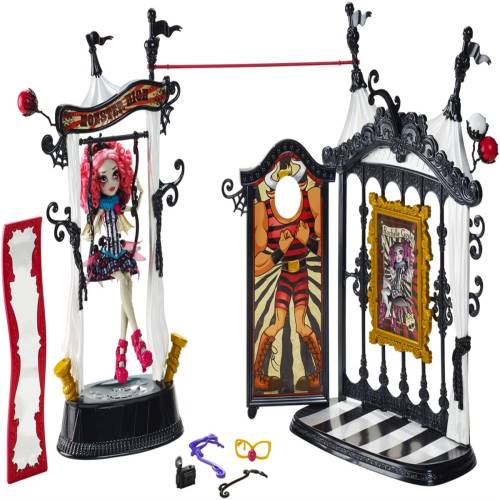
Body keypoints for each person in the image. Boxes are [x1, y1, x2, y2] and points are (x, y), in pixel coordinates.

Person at [80, 141, 152, 384]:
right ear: (94, 182)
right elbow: (90, 231)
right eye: (103, 178)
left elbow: (135, 207)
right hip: (107, 256)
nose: (111, 182)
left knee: (127, 290)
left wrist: (140, 190)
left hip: (120, 252)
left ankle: (121, 353)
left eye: (115, 175)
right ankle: (137, 338)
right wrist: (91, 226)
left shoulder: (118, 205)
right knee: (122, 281)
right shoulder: (101, 208)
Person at [253, 152, 322, 392]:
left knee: (301, 325)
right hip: (285, 274)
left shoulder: (313, 201)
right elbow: (256, 265)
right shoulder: (263, 212)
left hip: (301, 275)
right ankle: (258, 375)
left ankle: (317, 376)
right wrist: (279, 252)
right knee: (278, 323)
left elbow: (325, 248)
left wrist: (307, 241)